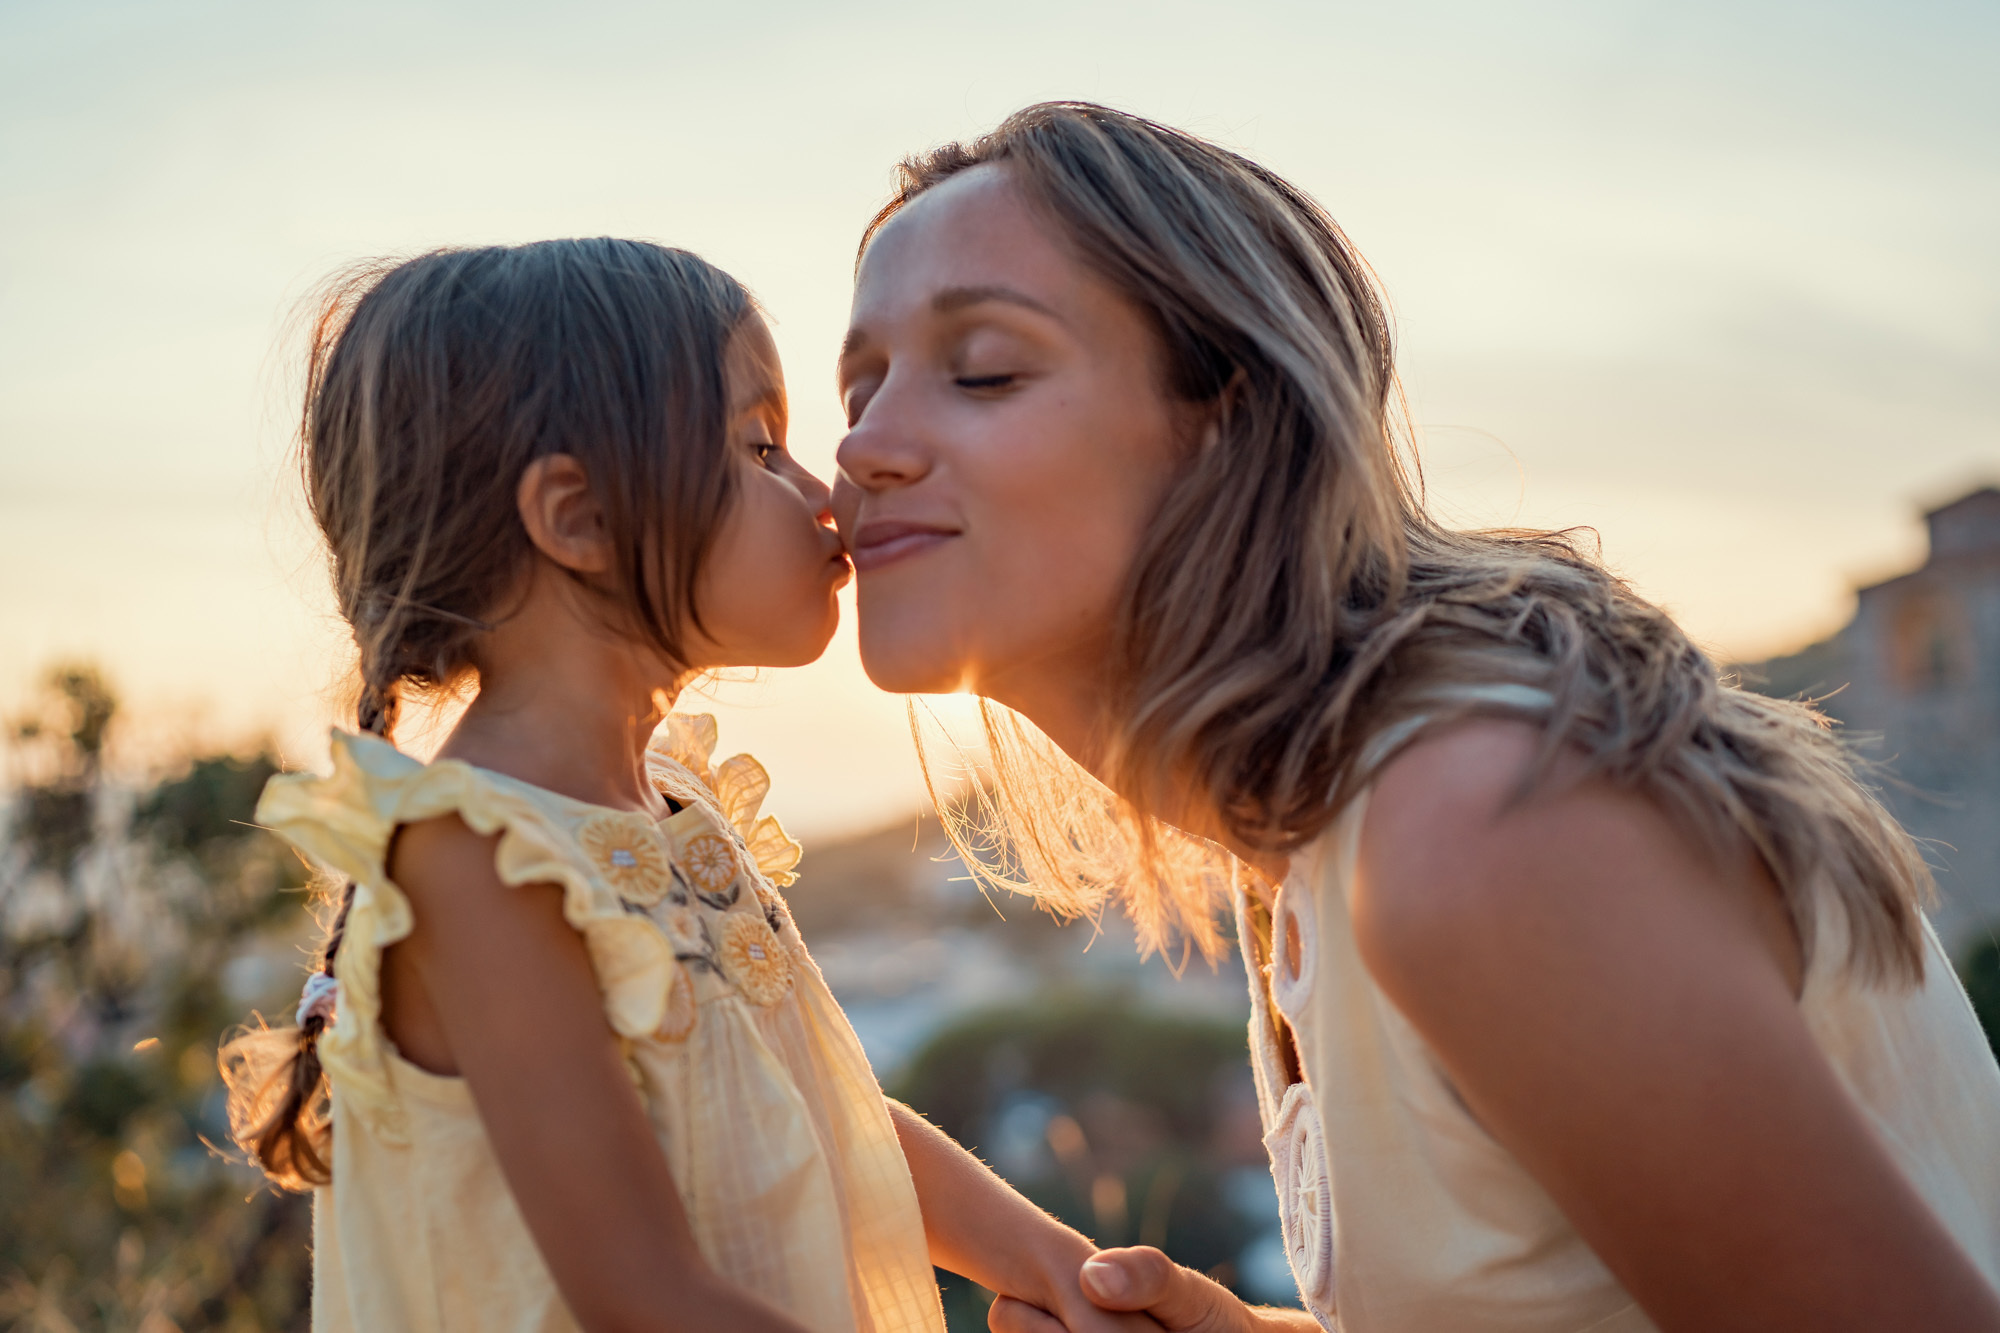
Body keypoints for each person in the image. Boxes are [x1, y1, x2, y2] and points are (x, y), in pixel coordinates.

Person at [832, 103, 2000, 1332]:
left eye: (984, 371)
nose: (862, 447)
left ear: (1228, 423)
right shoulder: (1329, 837)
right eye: (858, 387)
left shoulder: (1475, 828)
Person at [219, 239, 1152, 1333]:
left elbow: (815, 1112)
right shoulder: (480, 861)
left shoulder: (669, 809)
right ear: (578, 517)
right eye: (760, 448)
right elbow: (647, 1300)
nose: (824, 495)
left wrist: (1061, 1267)